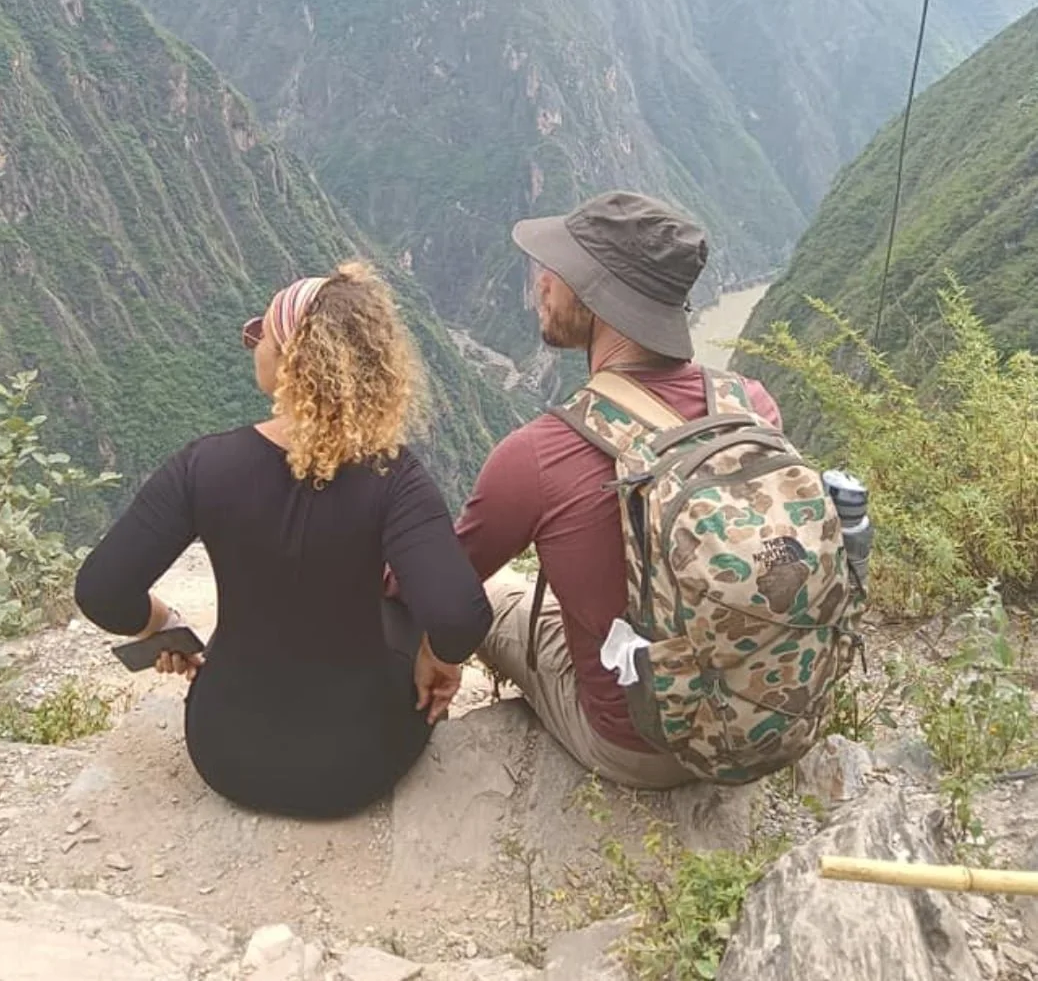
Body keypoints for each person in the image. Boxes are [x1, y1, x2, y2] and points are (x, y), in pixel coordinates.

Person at [75, 261, 491, 819]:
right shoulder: (395, 478)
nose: (254, 345)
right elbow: (459, 614)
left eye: (262, 334)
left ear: (290, 360)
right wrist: (435, 658)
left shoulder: (205, 466)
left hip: (225, 751)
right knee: (403, 607)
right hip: (358, 762)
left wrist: (165, 626)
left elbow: (102, 590)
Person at [446, 191, 781, 790]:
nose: (542, 282)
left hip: (638, 750)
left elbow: (434, 584)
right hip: (763, 720)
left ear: (597, 297)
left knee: (497, 595)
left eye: (560, 270)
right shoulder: (750, 407)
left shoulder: (538, 455)